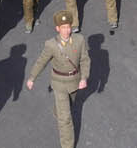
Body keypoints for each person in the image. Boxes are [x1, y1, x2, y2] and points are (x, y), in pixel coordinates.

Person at [26, 10, 90, 148]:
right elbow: (41, 61)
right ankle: (67, 145)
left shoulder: (79, 40)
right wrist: (32, 77)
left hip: (74, 81)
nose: (66, 31)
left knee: (69, 104)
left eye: (68, 27)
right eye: (63, 28)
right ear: (57, 28)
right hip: (59, 83)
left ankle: (57, 110)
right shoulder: (51, 44)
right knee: (66, 119)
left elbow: (85, 60)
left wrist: (84, 77)